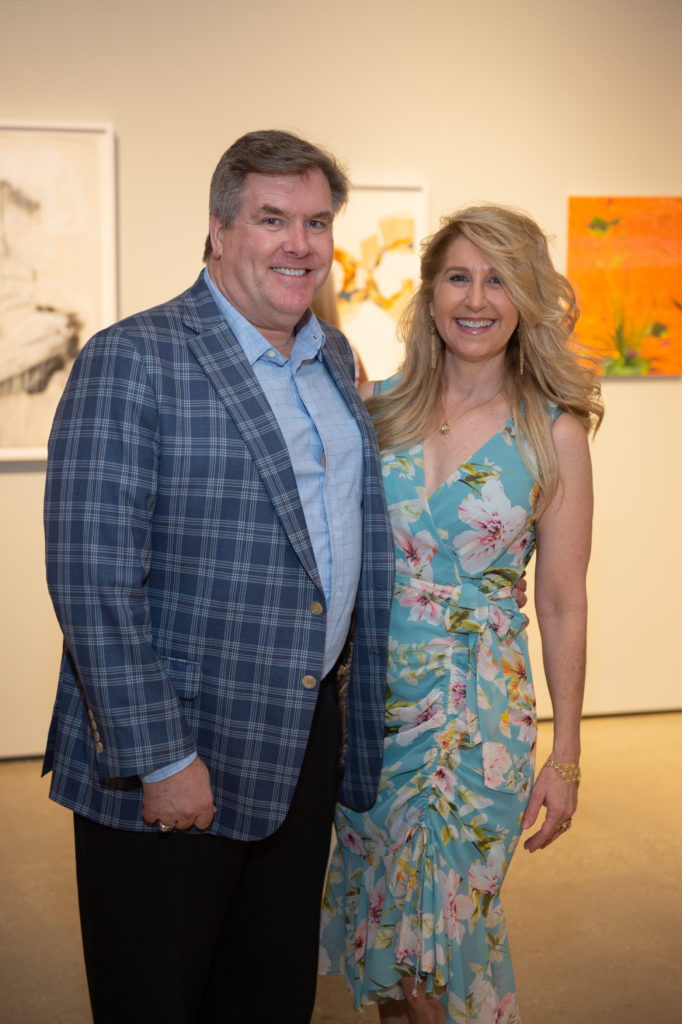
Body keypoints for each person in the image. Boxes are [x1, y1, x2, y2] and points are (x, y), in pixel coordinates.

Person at [41, 129, 396, 1024]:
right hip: (179, 752)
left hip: (303, 738)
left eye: (317, 222)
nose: (299, 243)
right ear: (218, 230)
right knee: (159, 996)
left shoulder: (334, 366)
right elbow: (92, 577)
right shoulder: (134, 358)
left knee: (270, 993)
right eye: (272, 218)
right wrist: (161, 756)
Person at [319, 203, 604, 1023]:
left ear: (527, 297)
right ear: (431, 293)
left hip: (479, 722)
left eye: (499, 279)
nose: (476, 298)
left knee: (439, 951)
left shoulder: (553, 431)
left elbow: (562, 598)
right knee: (384, 940)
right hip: (372, 712)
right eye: (458, 276)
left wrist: (569, 753)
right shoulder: (378, 412)